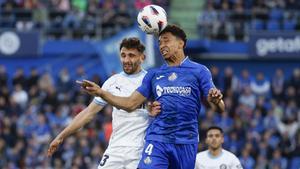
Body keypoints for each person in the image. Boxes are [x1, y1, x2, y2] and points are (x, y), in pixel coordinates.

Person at [79, 24, 225, 169]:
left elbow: (219, 107)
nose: (162, 45)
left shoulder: (199, 71)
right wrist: (101, 92)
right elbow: (130, 103)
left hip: (186, 141)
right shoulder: (153, 75)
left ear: (181, 43)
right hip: (157, 139)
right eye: (159, 42)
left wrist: (216, 101)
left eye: (166, 40)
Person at [47, 37, 160, 169]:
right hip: (115, 149)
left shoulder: (151, 81)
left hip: (141, 149)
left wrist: (153, 112)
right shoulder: (112, 82)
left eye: (131, 55)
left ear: (142, 57)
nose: (126, 60)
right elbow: (88, 113)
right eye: (123, 55)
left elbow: (135, 106)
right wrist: (61, 136)